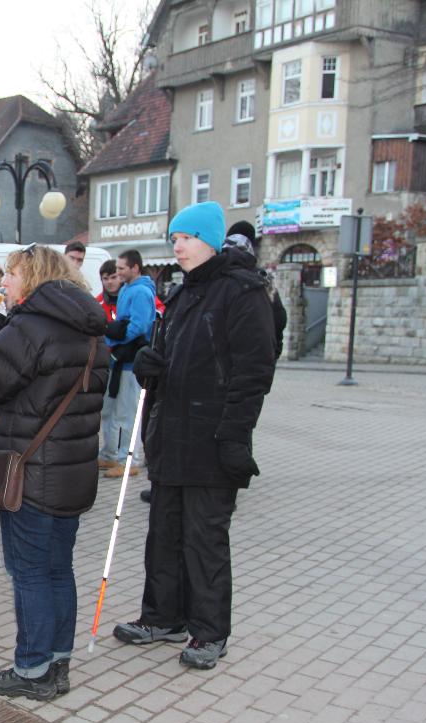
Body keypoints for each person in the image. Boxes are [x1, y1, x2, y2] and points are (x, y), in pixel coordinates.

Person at [114, 201, 276, 670]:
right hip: (171, 436)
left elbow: (253, 373)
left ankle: (209, 631)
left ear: (209, 240)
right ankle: (162, 616)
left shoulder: (242, 292)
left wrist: (234, 435)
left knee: (204, 540)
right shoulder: (183, 294)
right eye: (174, 239)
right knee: (164, 535)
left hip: (212, 439)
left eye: (186, 238)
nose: (178, 247)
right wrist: (150, 366)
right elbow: (168, 358)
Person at [0, 245, 108, 700]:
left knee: (28, 572)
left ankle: (31, 670)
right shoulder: (90, 329)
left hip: (31, 471)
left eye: (10, 274)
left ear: (32, 277)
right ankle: (57, 662)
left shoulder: (30, 325)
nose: (3, 283)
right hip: (72, 471)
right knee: (57, 569)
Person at [98, 250, 156, 479]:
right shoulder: (127, 289)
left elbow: (139, 326)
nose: (119, 272)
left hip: (131, 361)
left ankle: (128, 459)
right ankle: (110, 453)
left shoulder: (141, 291)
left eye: (122, 268)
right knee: (110, 409)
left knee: (126, 412)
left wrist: (115, 340)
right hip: (120, 360)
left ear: (135, 267)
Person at [224, 221, 288, 359]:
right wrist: (274, 349)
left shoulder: (216, 271)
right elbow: (279, 317)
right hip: (259, 353)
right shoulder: (262, 278)